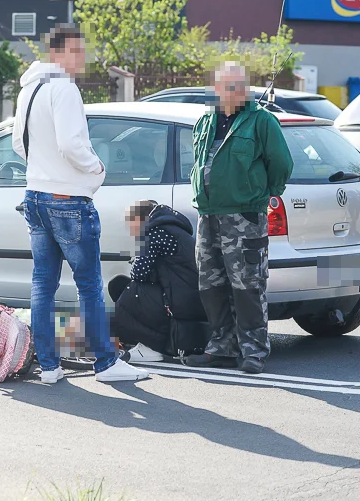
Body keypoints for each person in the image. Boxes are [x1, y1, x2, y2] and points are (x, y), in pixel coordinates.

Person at [12, 24, 148, 384]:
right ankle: (105, 363)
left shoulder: (28, 90)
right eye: (75, 51)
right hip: (67, 198)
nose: (81, 58)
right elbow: (72, 145)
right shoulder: (65, 89)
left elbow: (17, 144)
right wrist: (96, 169)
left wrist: (42, 168)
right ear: (57, 53)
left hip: (35, 195)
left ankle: (50, 366)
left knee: (43, 283)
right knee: (88, 283)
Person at [187, 62, 294, 374]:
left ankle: (253, 351)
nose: (229, 92)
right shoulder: (206, 120)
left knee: (248, 286)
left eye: (236, 86)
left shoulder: (261, 122)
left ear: (245, 89)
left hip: (244, 217)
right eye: (224, 86)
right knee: (211, 284)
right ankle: (222, 346)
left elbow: (281, 165)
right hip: (208, 215)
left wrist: (259, 195)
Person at [109, 200, 208, 362]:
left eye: (130, 223)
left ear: (140, 219)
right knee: (119, 284)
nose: (129, 229)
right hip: (193, 298)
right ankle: (141, 338)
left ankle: (151, 345)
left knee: (134, 289)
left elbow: (139, 273)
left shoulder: (154, 233)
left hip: (181, 301)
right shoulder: (172, 229)